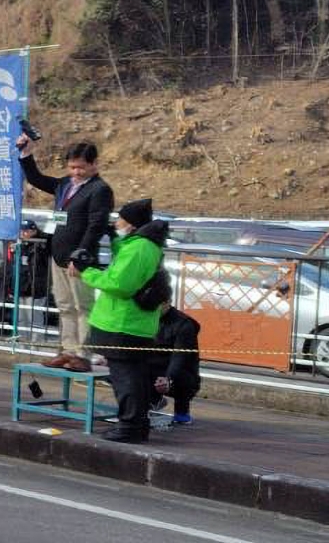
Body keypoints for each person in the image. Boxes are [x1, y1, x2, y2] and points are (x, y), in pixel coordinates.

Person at [17, 135, 114, 366]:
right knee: (65, 305)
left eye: (81, 167)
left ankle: (84, 352)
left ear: (94, 164)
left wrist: (80, 255)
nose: (76, 172)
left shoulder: (100, 190)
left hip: (79, 259)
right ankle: (69, 350)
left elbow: (96, 225)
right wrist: (26, 153)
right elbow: (36, 178)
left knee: (84, 306)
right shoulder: (65, 185)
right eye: (72, 167)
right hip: (58, 255)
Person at [79, 199, 170, 443]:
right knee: (137, 376)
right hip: (135, 323)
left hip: (122, 322)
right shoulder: (144, 245)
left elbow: (119, 284)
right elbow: (127, 266)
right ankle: (138, 425)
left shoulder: (138, 248)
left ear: (131, 225)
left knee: (126, 378)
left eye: (120, 219)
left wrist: (86, 272)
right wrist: (114, 237)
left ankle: (129, 426)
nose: (116, 223)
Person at [154, 302, 202, 426]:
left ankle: (182, 411)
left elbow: (180, 357)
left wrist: (168, 378)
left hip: (179, 370)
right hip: (153, 364)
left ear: (166, 303)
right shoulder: (146, 318)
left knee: (182, 374)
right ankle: (152, 400)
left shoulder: (184, 324)